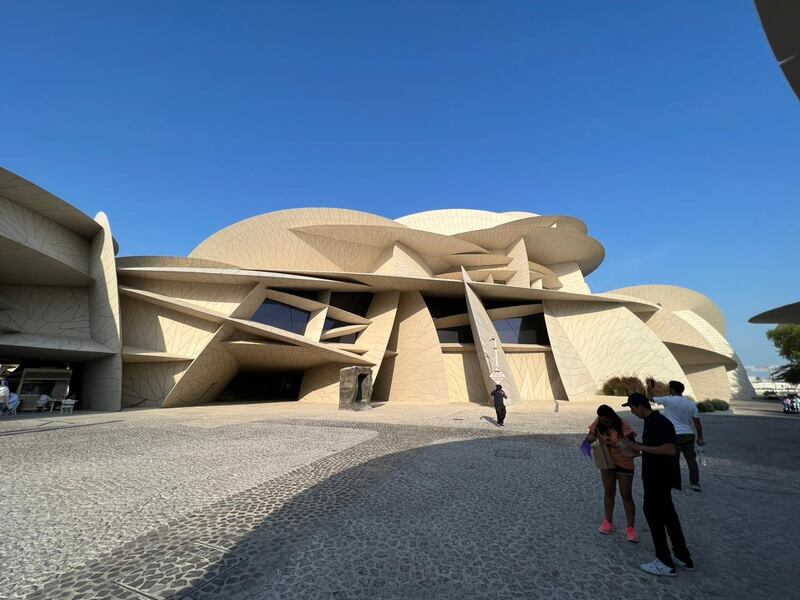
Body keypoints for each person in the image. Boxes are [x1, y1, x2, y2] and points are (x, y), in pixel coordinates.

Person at [622, 393, 694, 577]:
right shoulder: (652, 421)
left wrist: (640, 448)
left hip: (658, 478)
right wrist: (636, 450)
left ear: (640, 406)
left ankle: (664, 562)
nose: (632, 411)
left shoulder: (659, 422)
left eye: (632, 407)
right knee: (669, 516)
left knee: (654, 516)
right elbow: (654, 448)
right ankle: (682, 556)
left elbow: (670, 449)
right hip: (658, 477)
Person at [584, 404, 640, 543]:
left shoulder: (623, 425)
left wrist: (613, 442)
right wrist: (592, 437)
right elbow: (589, 439)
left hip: (624, 462)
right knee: (609, 492)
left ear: (611, 417)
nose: (604, 423)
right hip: (607, 461)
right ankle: (608, 521)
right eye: (601, 420)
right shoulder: (598, 423)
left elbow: (633, 447)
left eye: (606, 421)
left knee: (626, 495)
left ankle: (630, 528)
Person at [646, 379, 704, 492]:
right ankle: (695, 483)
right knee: (691, 460)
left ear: (672, 389)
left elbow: (651, 398)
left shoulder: (668, 400)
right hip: (689, 434)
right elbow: (697, 422)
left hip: (675, 434)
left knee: (673, 459)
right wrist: (700, 437)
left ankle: (675, 483)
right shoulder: (690, 404)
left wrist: (649, 389)